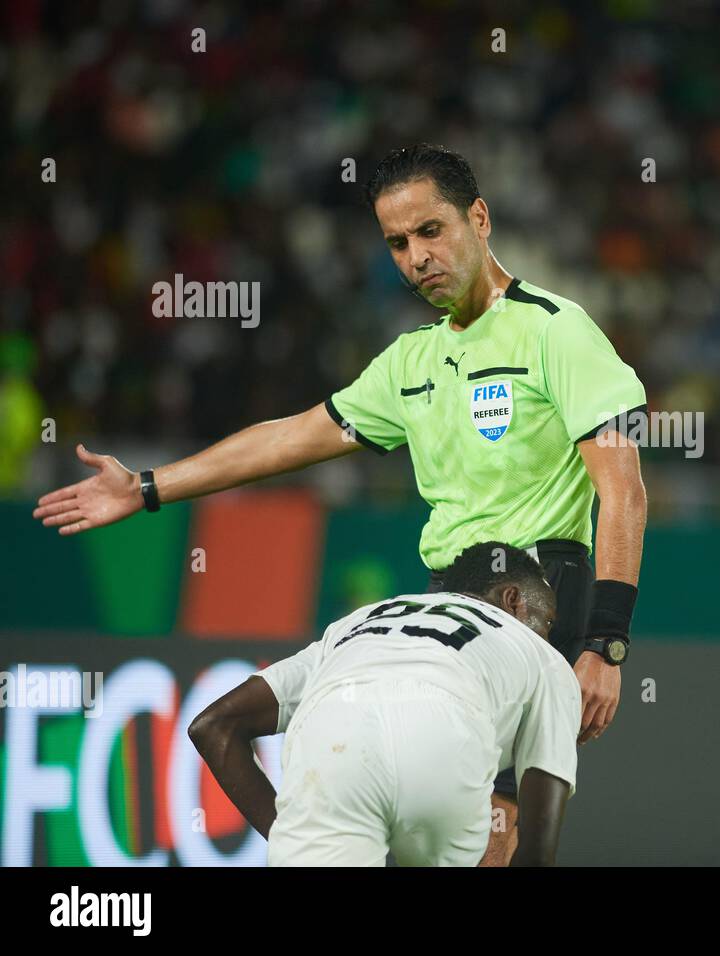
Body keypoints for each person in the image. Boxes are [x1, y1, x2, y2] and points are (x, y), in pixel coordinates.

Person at [33, 144, 648, 864]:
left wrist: (605, 642)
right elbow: (289, 438)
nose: (416, 256)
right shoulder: (410, 361)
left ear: (479, 218)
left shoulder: (556, 330)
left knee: (495, 829)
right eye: (397, 243)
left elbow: (623, 491)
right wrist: (147, 487)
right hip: (445, 601)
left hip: (536, 599)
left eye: (431, 231)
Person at [189, 542, 580, 866]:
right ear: (511, 600)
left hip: (330, 747)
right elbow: (537, 843)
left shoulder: (360, 622)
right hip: (443, 742)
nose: (546, 635)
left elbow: (213, 726)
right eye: (545, 621)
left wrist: (298, 833)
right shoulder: (545, 658)